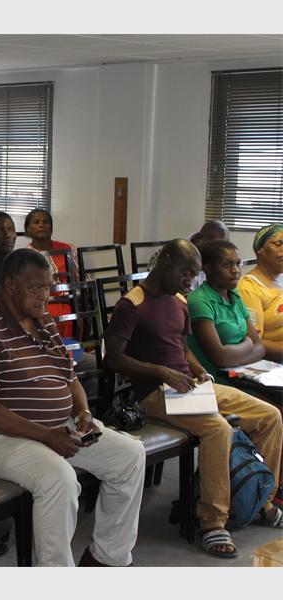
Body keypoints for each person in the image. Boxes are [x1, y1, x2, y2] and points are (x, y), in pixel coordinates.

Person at [0, 248, 146, 567]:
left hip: (56, 429)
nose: (44, 295)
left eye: (47, 286)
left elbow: (70, 377)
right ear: (10, 285)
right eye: (35, 287)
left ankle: (108, 560)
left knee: (130, 455)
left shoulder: (42, 320)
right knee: (59, 478)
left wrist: (83, 414)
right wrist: (46, 436)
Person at [104, 239, 283, 559]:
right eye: (186, 273)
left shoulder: (178, 301)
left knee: (270, 415)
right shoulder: (132, 304)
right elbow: (113, 359)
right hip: (154, 394)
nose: (190, 282)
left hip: (188, 387)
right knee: (218, 429)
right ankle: (213, 520)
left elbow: (182, 349)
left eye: (194, 275)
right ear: (165, 262)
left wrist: (200, 372)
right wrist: (161, 371)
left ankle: (260, 501)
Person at [186, 240, 265, 386]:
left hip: (243, 374)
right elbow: (220, 359)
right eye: (227, 265)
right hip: (218, 380)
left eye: (238, 264)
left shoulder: (234, 295)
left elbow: (260, 348)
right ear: (208, 268)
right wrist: (248, 345)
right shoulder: (199, 300)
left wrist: (235, 357)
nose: (235, 270)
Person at [24, 208, 78, 338]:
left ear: (51, 227)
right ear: (28, 229)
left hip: (72, 300)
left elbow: (78, 278)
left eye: (45, 222)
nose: (41, 225)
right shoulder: (26, 256)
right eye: (36, 222)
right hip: (45, 304)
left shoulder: (67, 248)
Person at [237, 223, 283, 362]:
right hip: (272, 364)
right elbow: (254, 343)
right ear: (260, 250)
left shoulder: (280, 278)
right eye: (278, 244)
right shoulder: (248, 288)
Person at [147, 219, 230, 291]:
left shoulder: (213, 258)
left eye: (221, 248)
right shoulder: (172, 253)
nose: (216, 252)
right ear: (198, 239)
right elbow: (153, 285)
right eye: (213, 245)